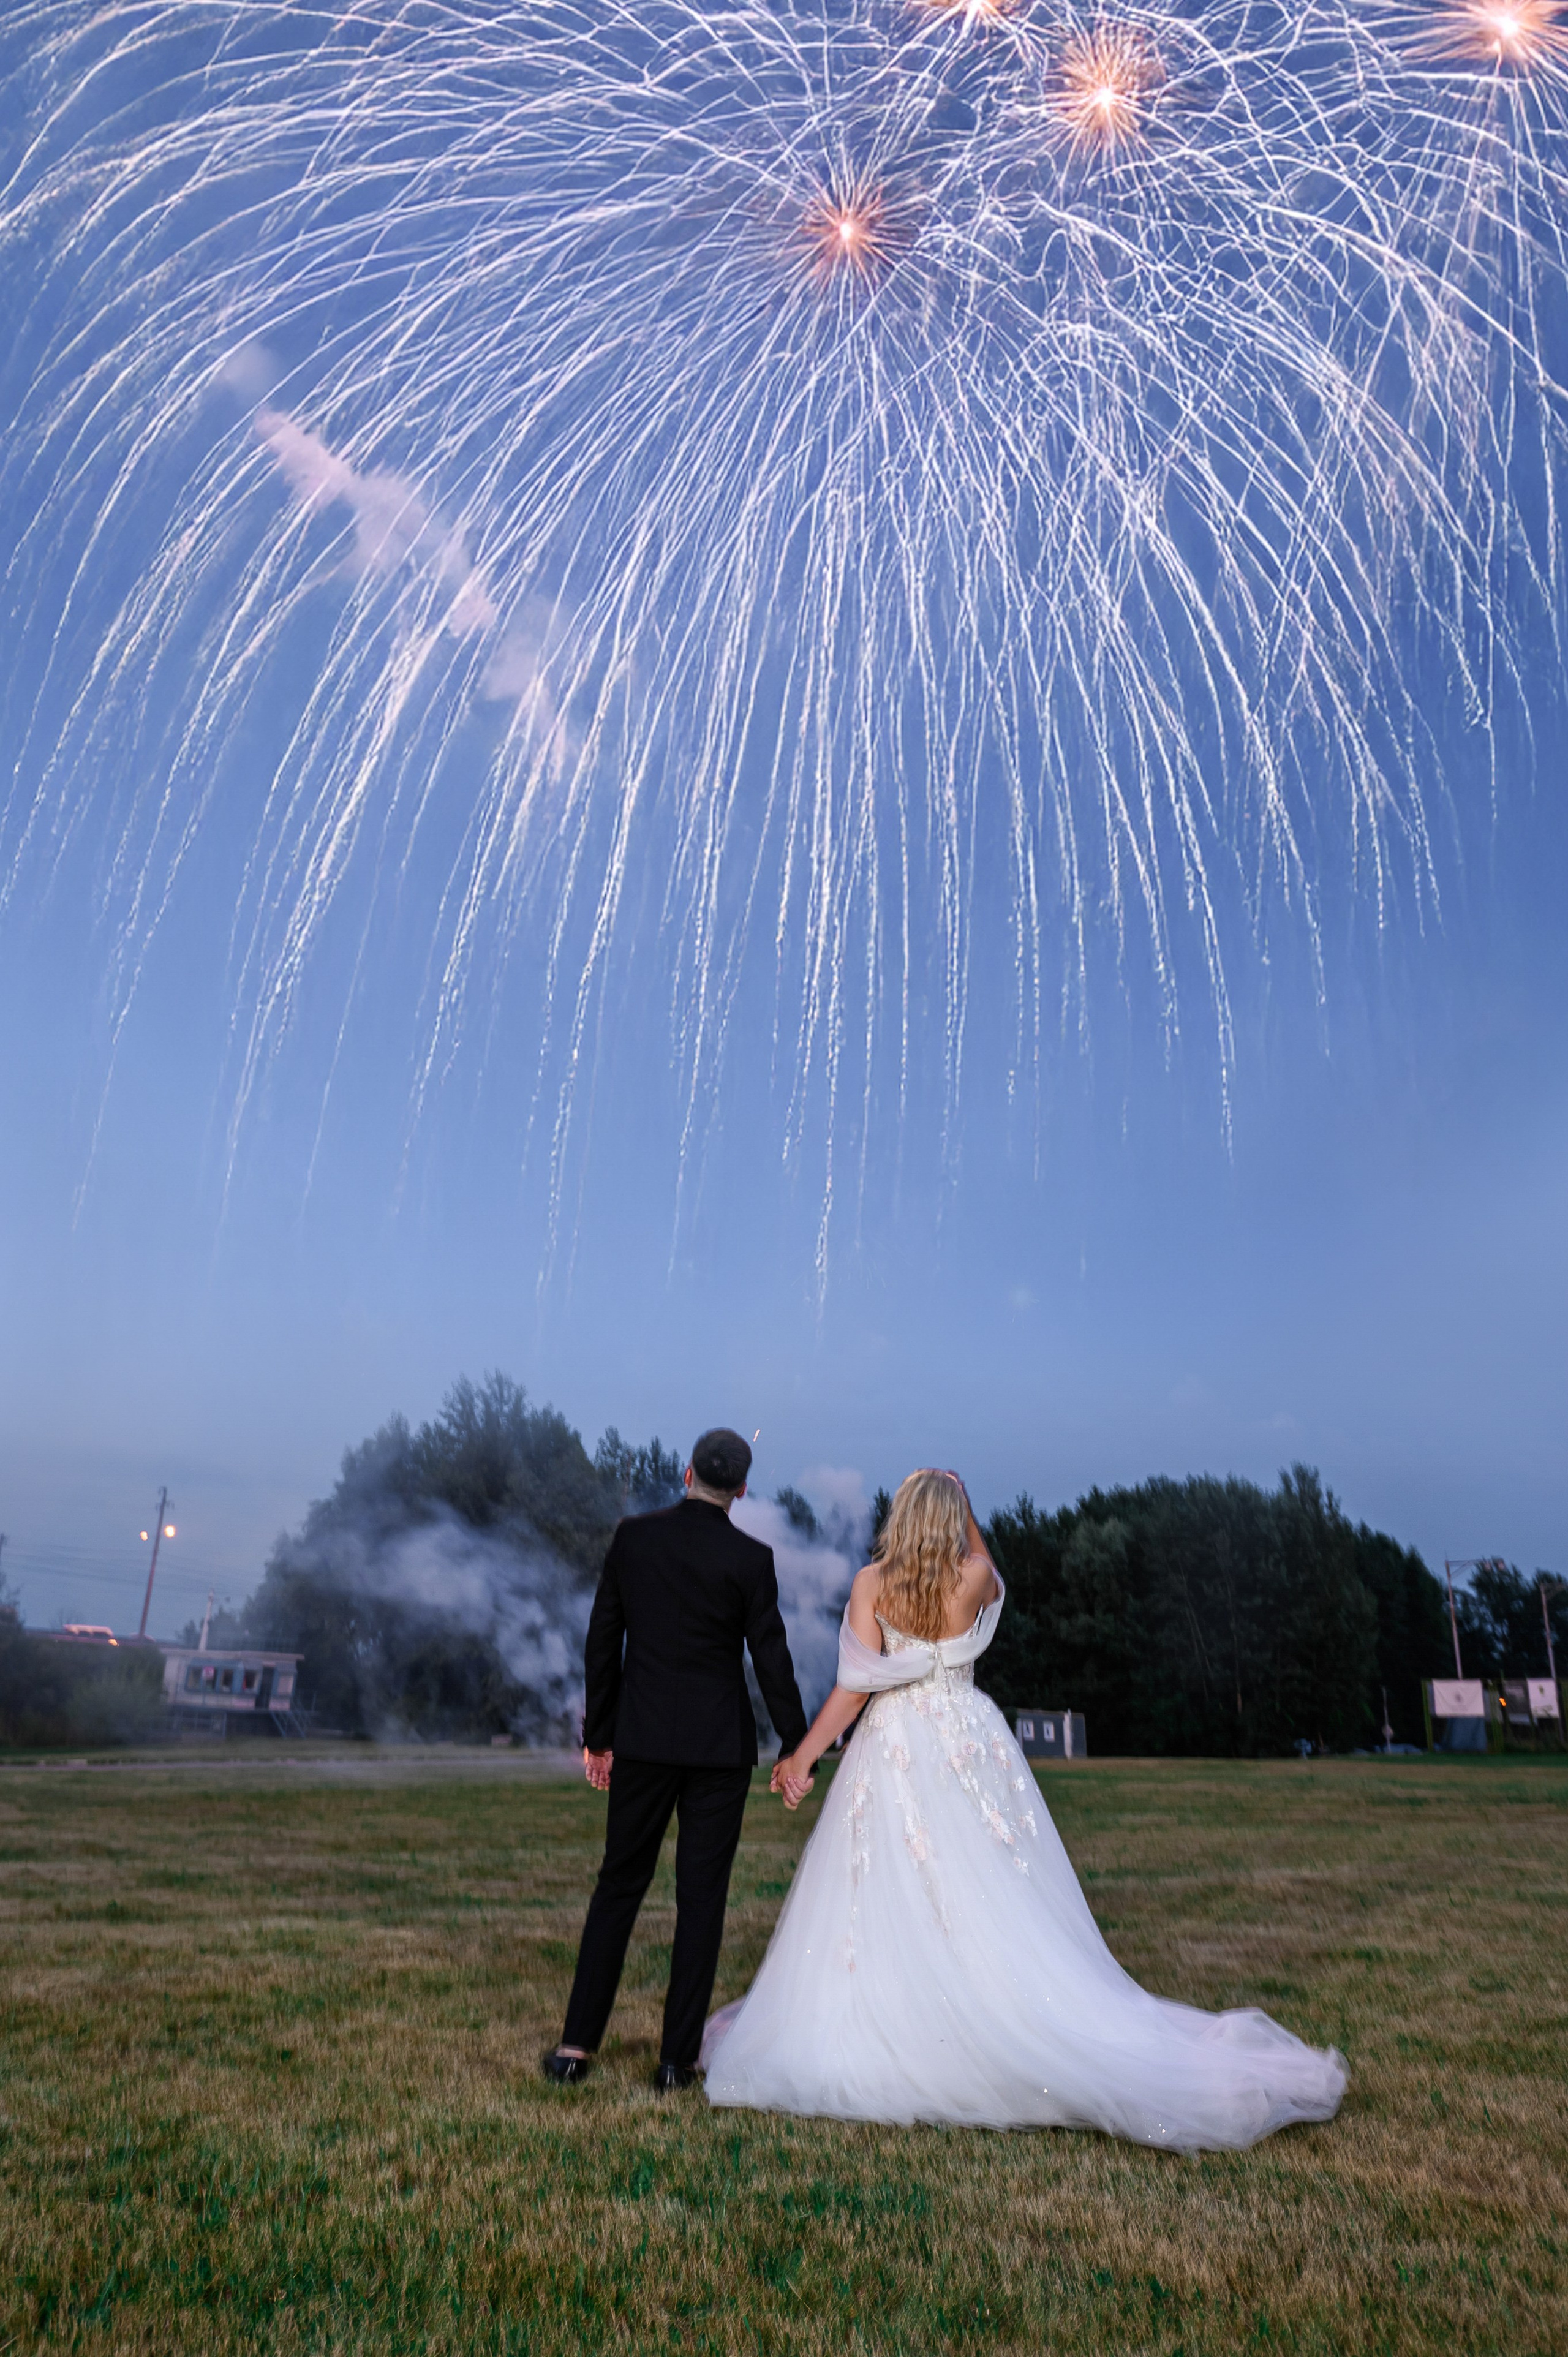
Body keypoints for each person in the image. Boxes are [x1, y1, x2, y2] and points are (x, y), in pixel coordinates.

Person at [701, 1468, 1348, 2150]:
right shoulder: (973, 1576)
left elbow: (855, 1687)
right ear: (952, 1517)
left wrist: (801, 1757)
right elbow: (997, 1577)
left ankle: (910, 2019)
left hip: (893, 1744)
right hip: (966, 1735)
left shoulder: (871, 1583)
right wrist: (969, 1511)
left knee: (887, 1881)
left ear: (898, 1514)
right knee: (984, 1880)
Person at [541, 1426, 809, 2092]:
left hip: (643, 1740)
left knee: (618, 1886)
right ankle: (674, 2061)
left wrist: (597, 1735)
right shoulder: (751, 1558)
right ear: (742, 1488)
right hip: (719, 1749)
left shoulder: (634, 1538)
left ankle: (576, 2047)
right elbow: (770, 1657)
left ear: (687, 1472)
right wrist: (795, 1743)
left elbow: (602, 1643)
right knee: (702, 1900)